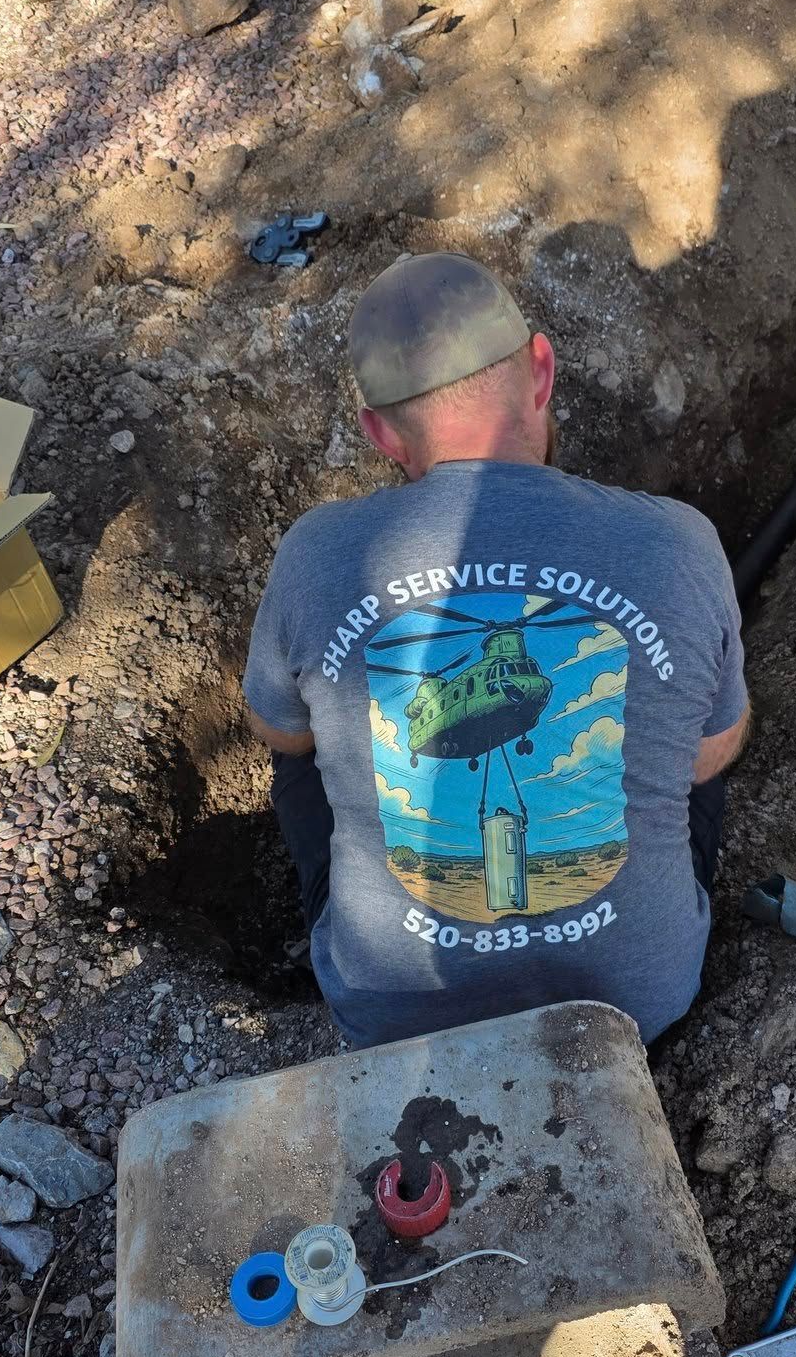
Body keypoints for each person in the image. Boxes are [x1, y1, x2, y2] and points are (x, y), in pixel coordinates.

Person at [242, 251, 748, 1050]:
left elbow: (280, 734)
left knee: (303, 761)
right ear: (542, 371)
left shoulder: (315, 554)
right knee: (693, 739)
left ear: (379, 432)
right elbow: (708, 756)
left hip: (390, 1019)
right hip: (637, 1006)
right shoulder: (680, 541)